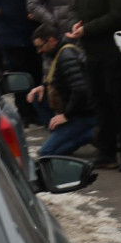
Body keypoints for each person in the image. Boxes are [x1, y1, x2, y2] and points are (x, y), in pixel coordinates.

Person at [66, 0, 121, 171]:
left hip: (114, 53)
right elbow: (76, 7)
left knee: (120, 102)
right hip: (92, 52)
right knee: (100, 102)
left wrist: (88, 28)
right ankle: (106, 152)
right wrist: (76, 23)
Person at [28, 24, 96, 157]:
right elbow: (62, 77)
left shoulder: (66, 56)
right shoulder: (59, 53)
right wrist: (44, 86)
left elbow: (80, 89)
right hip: (77, 109)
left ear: (52, 40)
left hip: (83, 114)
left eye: (40, 46)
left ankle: (89, 135)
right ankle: (64, 135)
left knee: (47, 153)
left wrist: (66, 116)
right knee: (38, 98)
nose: (39, 51)